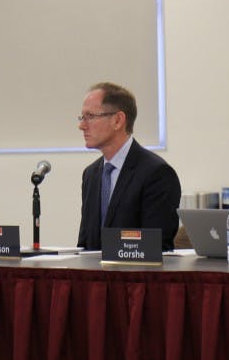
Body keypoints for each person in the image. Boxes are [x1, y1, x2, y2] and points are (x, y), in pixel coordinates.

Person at [76, 82, 181, 251]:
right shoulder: (91, 174)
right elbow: (86, 244)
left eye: (90, 116)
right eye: (82, 118)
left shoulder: (157, 174)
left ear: (118, 120)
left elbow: (155, 247)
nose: (81, 126)